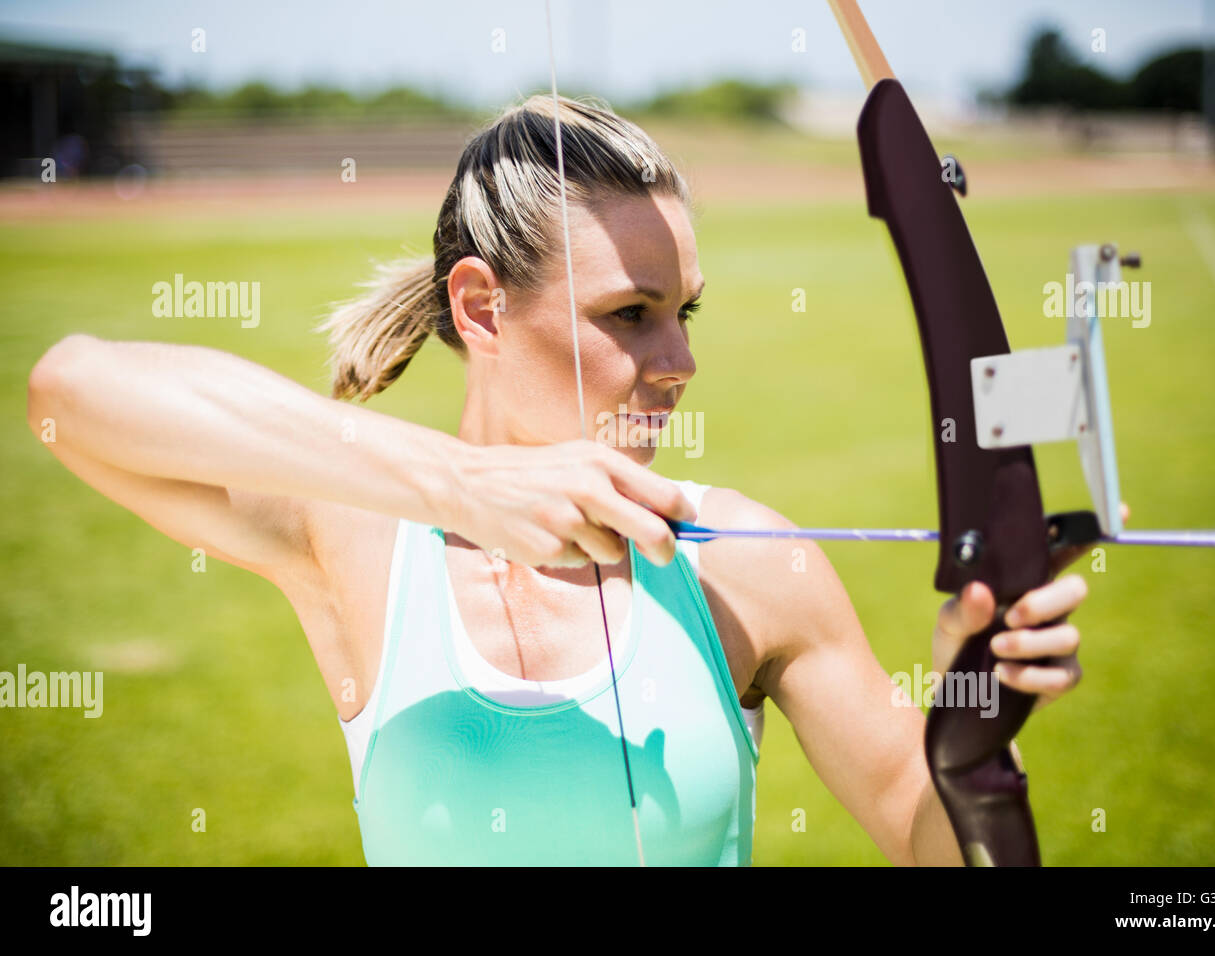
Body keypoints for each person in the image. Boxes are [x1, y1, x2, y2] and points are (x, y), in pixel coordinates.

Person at [25, 94, 1089, 866]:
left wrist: (967, 723)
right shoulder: (360, 541)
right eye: (630, 313)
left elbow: (935, 839)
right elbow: (69, 391)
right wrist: (459, 487)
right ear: (482, 308)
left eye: (685, 310)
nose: (678, 361)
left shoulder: (744, 565)